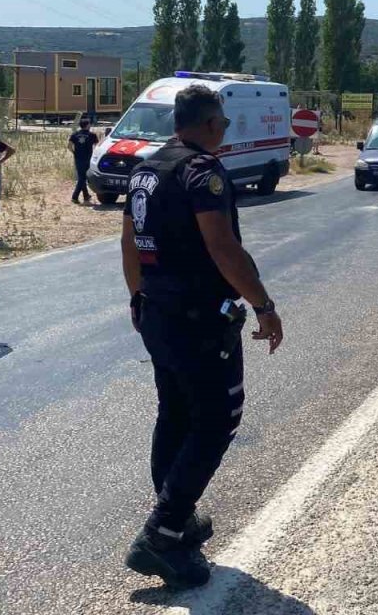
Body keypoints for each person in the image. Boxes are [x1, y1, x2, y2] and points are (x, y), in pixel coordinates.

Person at [120, 84, 284, 589]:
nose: (227, 132)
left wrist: (137, 298)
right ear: (211, 123)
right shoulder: (201, 170)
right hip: (196, 316)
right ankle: (163, 532)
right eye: (226, 124)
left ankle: (177, 515)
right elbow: (222, 246)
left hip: (157, 311)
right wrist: (263, 305)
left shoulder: (147, 167)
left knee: (175, 412)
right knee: (217, 418)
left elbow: (129, 242)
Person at [68, 118, 99, 204]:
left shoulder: (74, 134)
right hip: (88, 159)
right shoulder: (92, 135)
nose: (90, 125)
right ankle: (75, 196)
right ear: (87, 125)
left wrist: (74, 153)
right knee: (83, 178)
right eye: (89, 124)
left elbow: (69, 146)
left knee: (82, 177)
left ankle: (86, 196)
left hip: (78, 158)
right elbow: (97, 147)